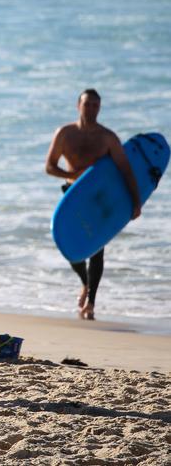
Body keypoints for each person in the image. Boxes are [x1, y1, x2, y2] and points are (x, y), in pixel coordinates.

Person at [45, 89, 141, 320]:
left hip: (99, 198)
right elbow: (50, 166)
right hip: (72, 195)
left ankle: (91, 302)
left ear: (100, 108)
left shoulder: (108, 138)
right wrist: (73, 175)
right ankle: (85, 283)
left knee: (97, 249)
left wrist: (136, 203)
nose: (91, 109)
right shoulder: (65, 134)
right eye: (87, 104)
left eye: (96, 105)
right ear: (78, 105)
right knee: (68, 246)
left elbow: (126, 171)